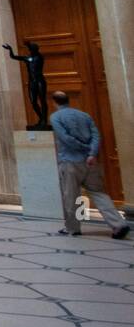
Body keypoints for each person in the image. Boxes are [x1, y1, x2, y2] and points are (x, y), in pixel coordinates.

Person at [50, 91, 129, 239]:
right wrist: (91, 153)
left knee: (71, 196)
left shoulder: (56, 117)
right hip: (90, 161)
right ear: (68, 100)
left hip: (70, 162)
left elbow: (65, 138)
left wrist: (83, 148)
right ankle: (118, 224)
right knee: (99, 193)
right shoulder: (84, 115)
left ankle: (73, 228)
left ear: (54, 102)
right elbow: (95, 135)